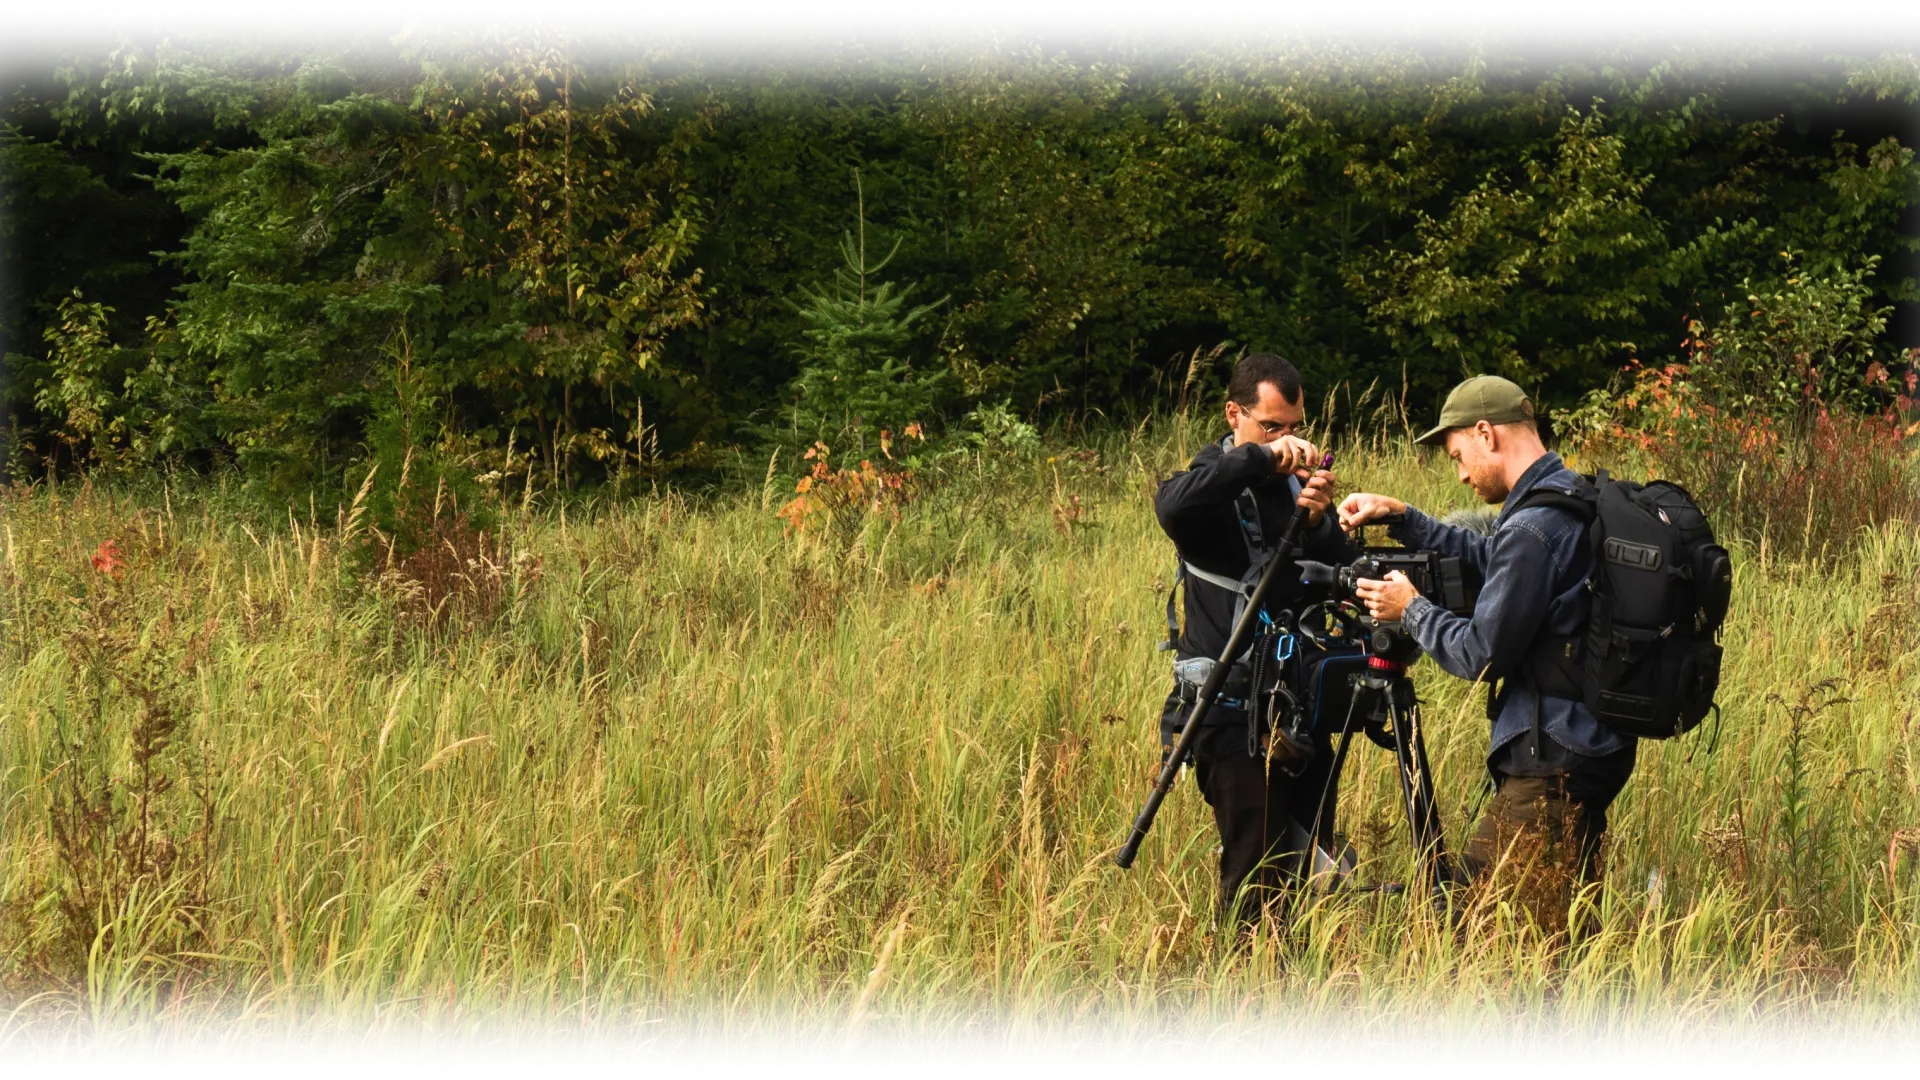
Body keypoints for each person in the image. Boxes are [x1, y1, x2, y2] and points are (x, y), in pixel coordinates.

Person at [1337, 375, 1637, 913]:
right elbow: (1489, 560)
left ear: (1485, 433)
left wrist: (1412, 609)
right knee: (1557, 932)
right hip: (1589, 747)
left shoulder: (1533, 527)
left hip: (1551, 763)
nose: (1460, 475)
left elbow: (1480, 654)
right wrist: (1405, 518)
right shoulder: (1568, 496)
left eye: (1458, 455)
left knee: (1483, 930)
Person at [1153, 352, 1354, 929]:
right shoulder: (1214, 482)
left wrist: (1319, 524)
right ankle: (1245, 990)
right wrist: (1258, 458)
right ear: (1234, 414)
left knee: (1302, 860)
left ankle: (1291, 991)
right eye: (1272, 427)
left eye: (1295, 429)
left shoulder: (1294, 487)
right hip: (1229, 710)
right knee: (1255, 874)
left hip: (1296, 708)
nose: (1289, 443)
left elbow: (1338, 572)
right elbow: (1171, 504)